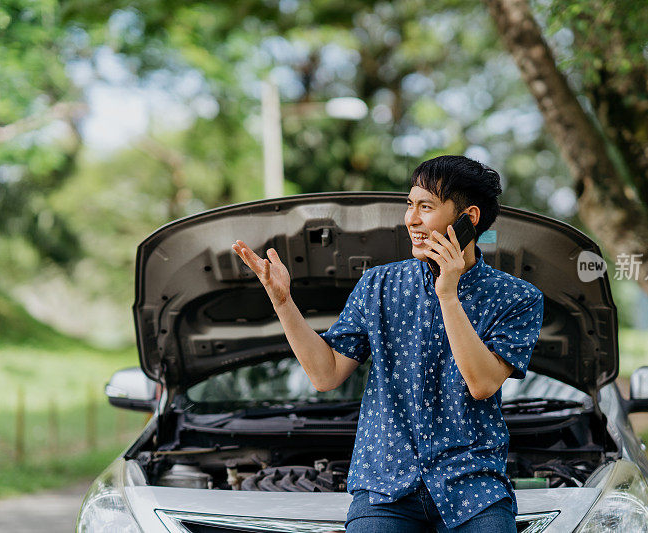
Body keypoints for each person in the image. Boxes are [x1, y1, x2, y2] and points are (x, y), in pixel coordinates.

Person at [232, 155, 544, 532]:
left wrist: (448, 293)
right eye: (409, 205)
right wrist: (283, 302)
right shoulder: (378, 285)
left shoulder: (517, 297)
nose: (411, 219)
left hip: (474, 490)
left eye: (425, 207)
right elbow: (326, 374)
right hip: (385, 489)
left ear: (469, 218)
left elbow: (482, 383)